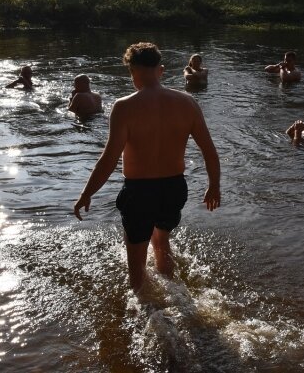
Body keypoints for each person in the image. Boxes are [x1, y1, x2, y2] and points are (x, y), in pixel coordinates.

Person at [73, 42, 221, 293]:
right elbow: (210, 152)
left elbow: (108, 159)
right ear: (160, 70)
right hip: (174, 187)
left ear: (132, 72)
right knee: (162, 241)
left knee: (136, 257)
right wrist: (213, 186)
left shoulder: (124, 107)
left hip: (139, 191)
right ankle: (176, 295)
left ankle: (145, 313)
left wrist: (87, 193)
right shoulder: (188, 103)